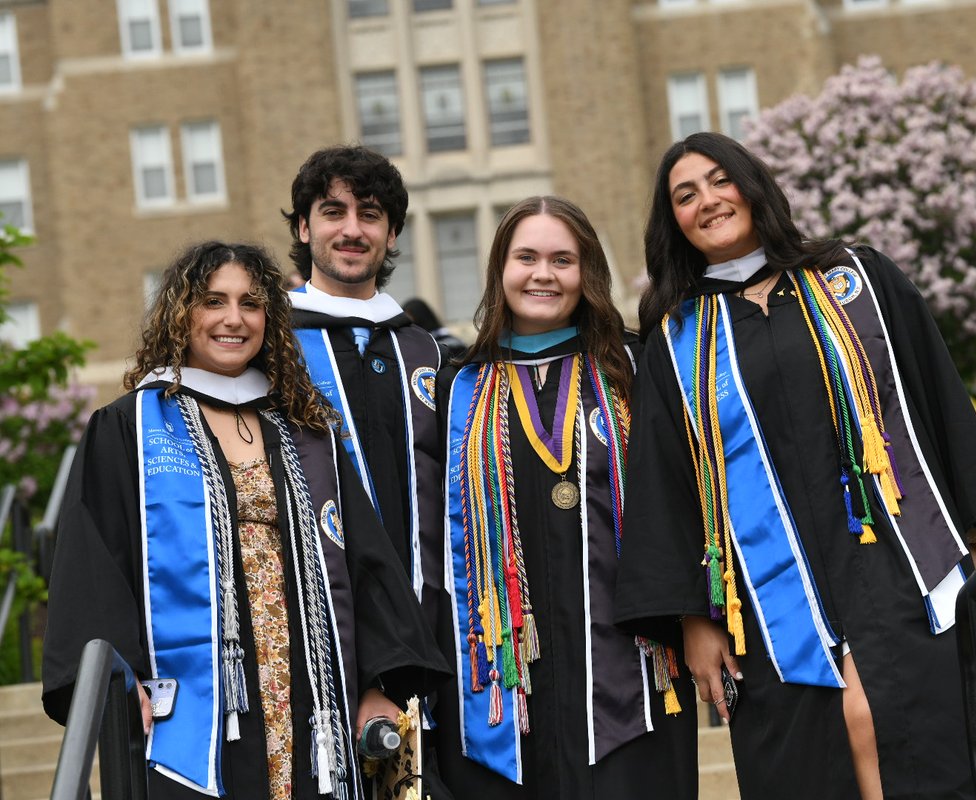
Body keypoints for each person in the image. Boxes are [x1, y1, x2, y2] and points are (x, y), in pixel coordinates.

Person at [615, 132, 976, 800]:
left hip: (892, 556)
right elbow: (666, 481)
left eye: (720, 180)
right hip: (765, 592)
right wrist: (692, 618)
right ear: (673, 222)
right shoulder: (677, 339)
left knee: (907, 724)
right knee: (816, 750)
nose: (708, 201)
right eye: (686, 196)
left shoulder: (856, 280)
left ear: (753, 186)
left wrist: (971, 533)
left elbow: (934, 391)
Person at [41, 241, 449, 799]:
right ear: (181, 313)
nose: (233, 319)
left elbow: (365, 562)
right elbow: (93, 565)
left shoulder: (307, 429)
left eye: (251, 303)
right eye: (213, 301)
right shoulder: (129, 428)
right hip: (195, 711)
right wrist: (120, 679)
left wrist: (378, 682)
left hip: (313, 696)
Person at [435, 196, 697, 798]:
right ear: (500, 269)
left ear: (588, 272)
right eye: (526, 257)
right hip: (508, 680)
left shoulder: (635, 368)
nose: (543, 275)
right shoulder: (457, 387)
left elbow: (681, 500)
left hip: (636, 667)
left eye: (562, 260)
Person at [283, 146, 444, 622]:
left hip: (426, 615)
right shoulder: (271, 348)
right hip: (316, 615)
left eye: (370, 215)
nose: (352, 230)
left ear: (391, 235)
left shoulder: (425, 352)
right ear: (304, 227)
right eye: (333, 212)